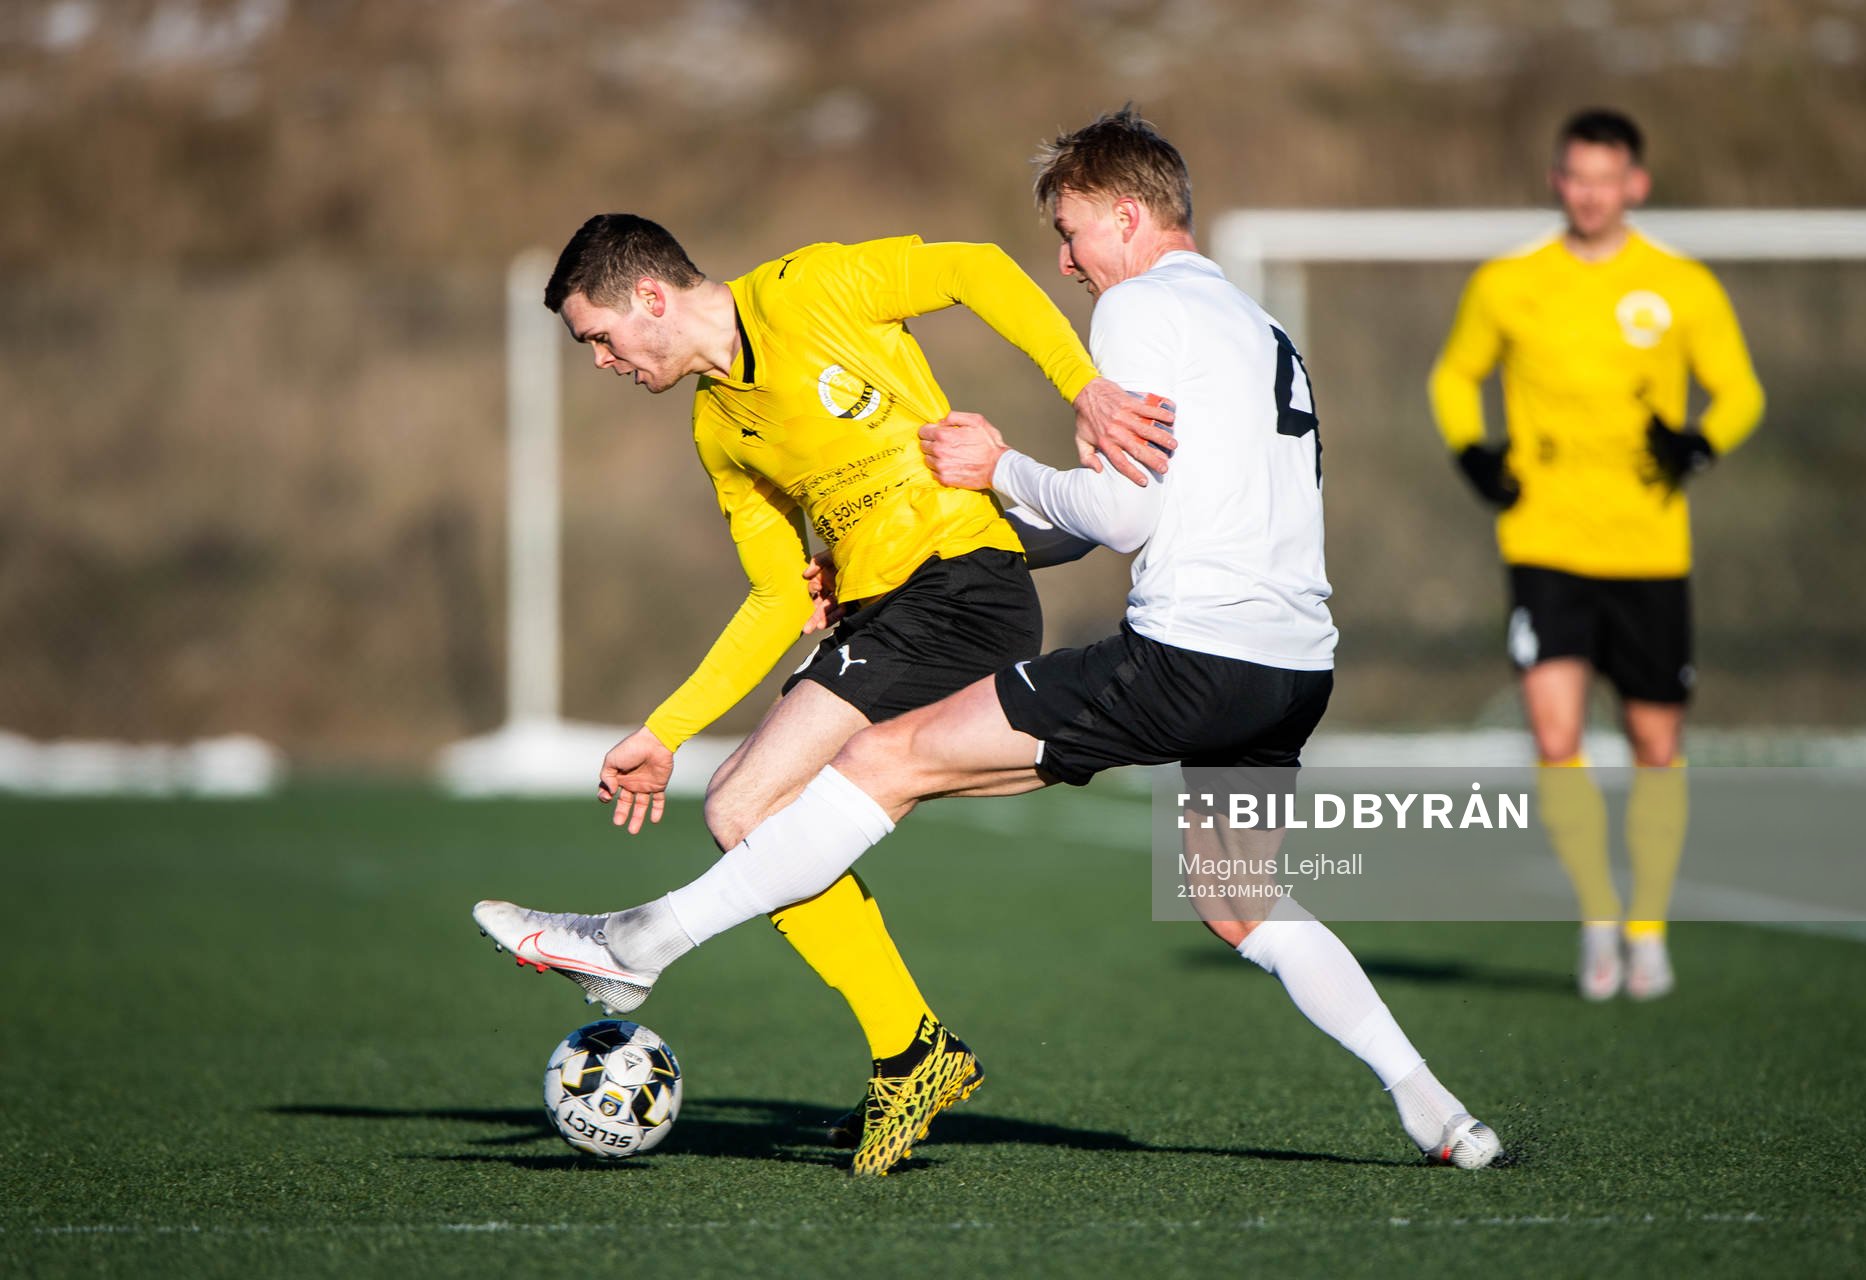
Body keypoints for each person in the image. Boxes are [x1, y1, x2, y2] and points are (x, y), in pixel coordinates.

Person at [478, 108, 1502, 1176]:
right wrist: (988, 518)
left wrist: (1000, 464)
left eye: (1070, 233)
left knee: (877, 762)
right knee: (1240, 903)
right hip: (1291, 669)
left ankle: (643, 942)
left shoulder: (1138, 306)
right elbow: (1173, 505)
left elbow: (1123, 520)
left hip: (1185, 653)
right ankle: (1439, 1112)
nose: (1063, 262)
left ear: (1127, 213)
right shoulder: (1256, 325)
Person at [508, 213, 1176, 1169]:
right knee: (751, 813)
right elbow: (781, 594)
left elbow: (976, 265)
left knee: (746, 803)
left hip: (958, 587)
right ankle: (914, 1051)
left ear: (649, 298)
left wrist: (1086, 387)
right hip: (884, 616)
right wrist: (667, 729)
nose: (604, 361)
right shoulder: (717, 428)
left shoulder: (809, 288)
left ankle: (904, 1046)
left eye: (599, 337)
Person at [1427, 109, 1764, 1001]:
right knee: (1554, 734)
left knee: (1657, 743)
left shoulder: (1680, 285)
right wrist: (1473, 450)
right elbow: (1454, 375)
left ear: (1634, 186)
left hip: (1650, 549)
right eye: (1575, 176)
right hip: (1543, 541)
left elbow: (1740, 390)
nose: (1589, 193)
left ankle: (1649, 927)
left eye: (1605, 178)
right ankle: (1597, 919)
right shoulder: (1510, 282)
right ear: (1557, 180)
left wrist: (1699, 443)